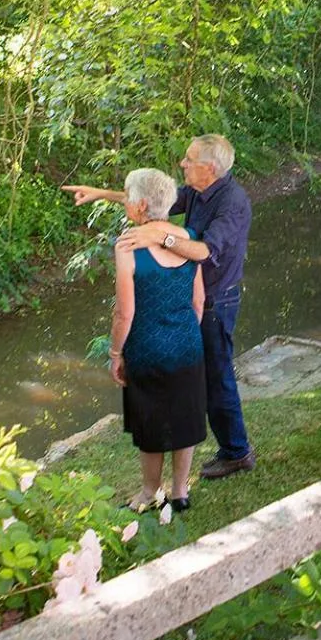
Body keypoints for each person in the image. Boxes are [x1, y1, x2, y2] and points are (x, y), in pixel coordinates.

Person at [62, 134, 256, 480]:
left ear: (208, 168)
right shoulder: (197, 190)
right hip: (196, 301)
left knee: (217, 377)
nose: (182, 163)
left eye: (188, 159)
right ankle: (194, 458)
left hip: (217, 301)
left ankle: (237, 452)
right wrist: (101, 194)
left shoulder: (232, 203)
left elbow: (203, 251)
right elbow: (151, 201)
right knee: (196, 378)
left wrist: (161, 237)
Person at [109, 167, 205, 513]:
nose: (125, 202)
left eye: (127, 196)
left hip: (146, 350)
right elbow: (198, 302)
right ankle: (180, 491)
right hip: (188, 346)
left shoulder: (127, 246)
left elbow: (124, 314)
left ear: (141, 205)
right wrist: (182, 333)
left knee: (150, 420)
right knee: (184, 415)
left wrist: (115, 353)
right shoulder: (187, 237)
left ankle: (150, 492)